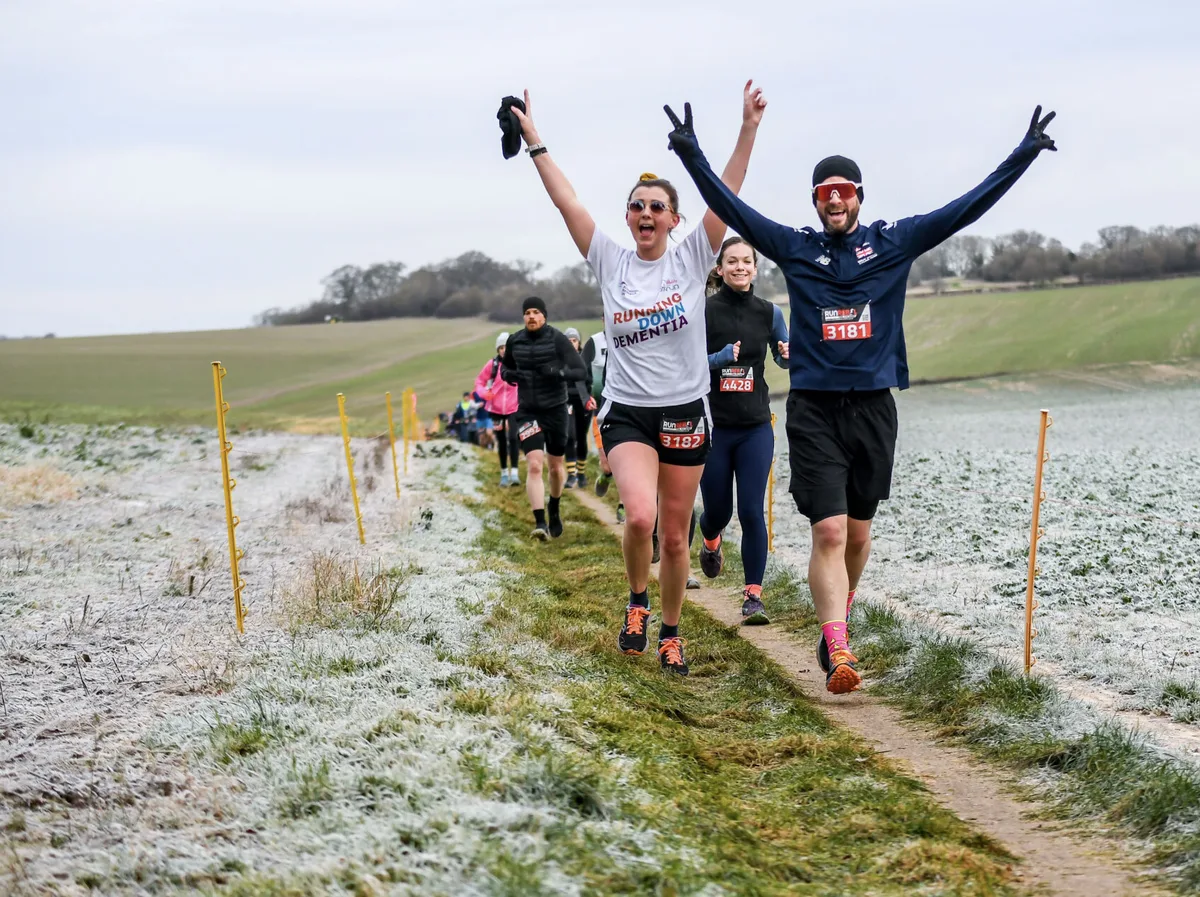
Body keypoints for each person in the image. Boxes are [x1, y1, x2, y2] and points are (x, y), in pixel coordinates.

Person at [666, 99, 1059, 693]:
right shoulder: (796, 248)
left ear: (859, 196)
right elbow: (732, 207)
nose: (835, 199)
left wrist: (1023, 155)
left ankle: (838, 621)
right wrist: (692, 155)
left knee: (857, 535)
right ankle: (839, 644)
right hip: (815, 409)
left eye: (844, 189)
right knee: (828, 531)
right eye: (824, 191)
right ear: (815, 202)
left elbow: (965, 208)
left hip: (874, 407)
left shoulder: (893, 242)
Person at [509, 80, 768, 674]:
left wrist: (747, 130)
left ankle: (672, 633)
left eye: (657, 206)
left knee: (676, 537)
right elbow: (567, 201)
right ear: (627, 218)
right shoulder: (610, 259)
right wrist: (534, 140)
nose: (646, 212)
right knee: (643, 518)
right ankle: (637, 603)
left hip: (685, 411)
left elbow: (727, 194)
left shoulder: (692, 257)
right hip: (627, 411)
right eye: (637, 205)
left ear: (674, 219)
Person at [695, 236, 789, 624]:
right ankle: (710, 540)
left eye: (746, 262)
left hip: (754, 426)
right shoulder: (703, 312)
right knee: (718, 510)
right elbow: (685, 365)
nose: (739, 267)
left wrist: (787, 355)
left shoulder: (770, 313)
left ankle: (753, 596)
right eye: (731, 261)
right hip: (714, 427)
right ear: (720, 269)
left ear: (755, 268)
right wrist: (719, 358)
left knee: (751, 510)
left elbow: (784, 358)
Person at [500, 296, 588, 541]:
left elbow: (579, 370)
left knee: (556, 467)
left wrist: (558, 372)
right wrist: (512, 375)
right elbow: (504, 369)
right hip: (528, 411)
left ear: (544, 316)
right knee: (535, 464)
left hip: (556, 409)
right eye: (527, 312)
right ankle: (540, 523)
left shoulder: (558, 339)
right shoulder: (514, 340)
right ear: (523, 317)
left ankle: (554, 507)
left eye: (536, 312)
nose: (531, 316)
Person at [475, 331, 522, 486]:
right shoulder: (492, 365)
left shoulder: (518, 364)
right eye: (501, 347)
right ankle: (503, 473)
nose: (503, 350)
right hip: (495, 410)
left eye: (506, 347)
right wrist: (484, 393)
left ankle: (514, 473)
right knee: (501, 441)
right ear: (497, 350)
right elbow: (479, 382)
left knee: (514, 438)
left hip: (514, 408)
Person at [562, 327, 596, 489]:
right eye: (568, 341)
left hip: (583, 401)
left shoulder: (585, 359)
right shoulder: (559, 360)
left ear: (579, 342)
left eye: (574, 340)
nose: (571, 344)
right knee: (570, 436)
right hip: (566, 402)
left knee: (582, 437)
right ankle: (571, 475)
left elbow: (589, 381)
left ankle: (581, 473)